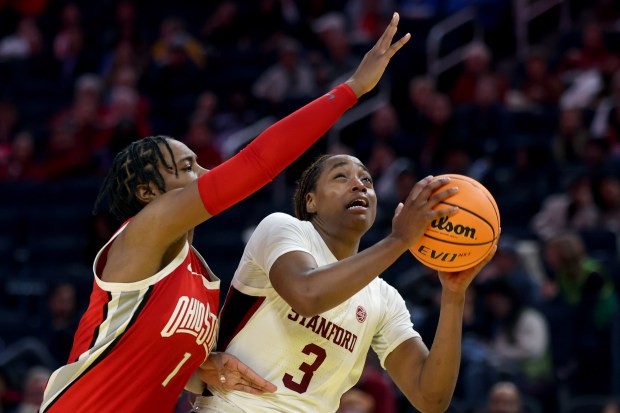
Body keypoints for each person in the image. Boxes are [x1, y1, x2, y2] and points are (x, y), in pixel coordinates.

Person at [38, 12, 412, 413]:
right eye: (186, 168)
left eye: (200, 164)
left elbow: (158, 361)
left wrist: (206, 368)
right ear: (147, 192)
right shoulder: (143, 232)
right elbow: (255, 162)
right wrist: (352, 89)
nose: (205, 174)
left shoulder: (198, 275)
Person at [192, 153, 497, 412]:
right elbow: (307, 295)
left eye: (367, 180)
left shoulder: (384, 297)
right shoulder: (282, 229)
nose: (359, 185)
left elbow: (431, 398)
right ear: (311, 201)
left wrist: (453, 295)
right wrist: (400, 240)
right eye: (341, 177)